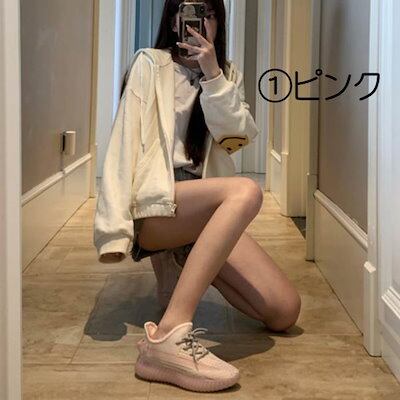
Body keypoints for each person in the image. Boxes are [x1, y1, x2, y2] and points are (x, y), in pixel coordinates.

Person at [93, 0, 301, 392]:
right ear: (173, 20)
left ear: (219, 21)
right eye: (187, 11)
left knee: (283, 311)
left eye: (207, 13)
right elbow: (122, 144)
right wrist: (113, 232)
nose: (197, 22)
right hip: (158, 204)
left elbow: (237, 138)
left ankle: (188, 257)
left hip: (203, 204)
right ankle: (168, 334)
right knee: (245, 191)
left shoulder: (227, 74)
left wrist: (213, 75)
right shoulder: (149, 64)